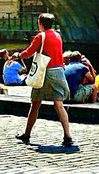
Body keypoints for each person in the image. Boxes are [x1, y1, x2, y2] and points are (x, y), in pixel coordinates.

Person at [15, 13, 74, 147]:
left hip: (44, 71)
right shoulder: (58, 35)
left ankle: (27, 134)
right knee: (58, 104)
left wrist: (18, 55)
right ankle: (68, 136)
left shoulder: (40, 36)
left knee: (35, 103)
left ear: (40, 23)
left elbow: (29, 52)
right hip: (58, 70)